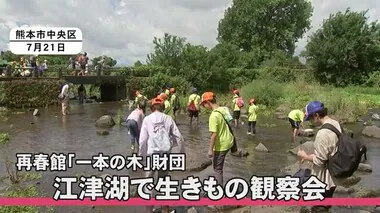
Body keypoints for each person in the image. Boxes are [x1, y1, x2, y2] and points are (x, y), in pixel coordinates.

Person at [139, 97, 185, 213]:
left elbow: (142, 140)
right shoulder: (168, 118)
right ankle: (165, 208)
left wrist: (141, 156)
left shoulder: (147, 119)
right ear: (162, 107)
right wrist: (181, 153)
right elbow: (179, 137)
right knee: (163, 181)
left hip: (152, 154)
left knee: (148, 180)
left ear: (152, 108)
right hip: (165, 154)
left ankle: (149, 209)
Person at [297, 101, 342, 212]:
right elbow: (331, 150)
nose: (311, 122)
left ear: (316, 115)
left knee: (319, 207)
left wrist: (305, 156)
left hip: (323, 179)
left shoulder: (322, 133)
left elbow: (320, 161)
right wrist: (313, 155)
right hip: (333, 176)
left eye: (311, 118)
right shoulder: (335, 124)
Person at [200, 92, 234, 185]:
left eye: (203, 104)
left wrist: (210, 150)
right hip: (229, 141)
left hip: (221, 145)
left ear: (208, 102)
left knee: (217, 169)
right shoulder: (223, 109)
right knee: (219, 166)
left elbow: (214, 135)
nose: (204, 107)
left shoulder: (213, 116)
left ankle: (219, 192)